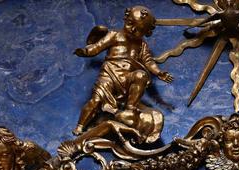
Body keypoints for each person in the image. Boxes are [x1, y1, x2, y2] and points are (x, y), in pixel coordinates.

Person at [72, 6, 172, 144]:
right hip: (109, 74)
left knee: (141, 75)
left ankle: (130, 107)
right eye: (130, 24)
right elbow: (97, 47)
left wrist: (158, 72)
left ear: (146, 32)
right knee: (95, 101)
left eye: (138, 30)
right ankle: (81, 125)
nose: (132, 30)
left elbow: (148, 61)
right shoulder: (114, 35)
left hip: (127, 78)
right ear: (126, 19)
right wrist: (85, 52)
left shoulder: (141, 44)